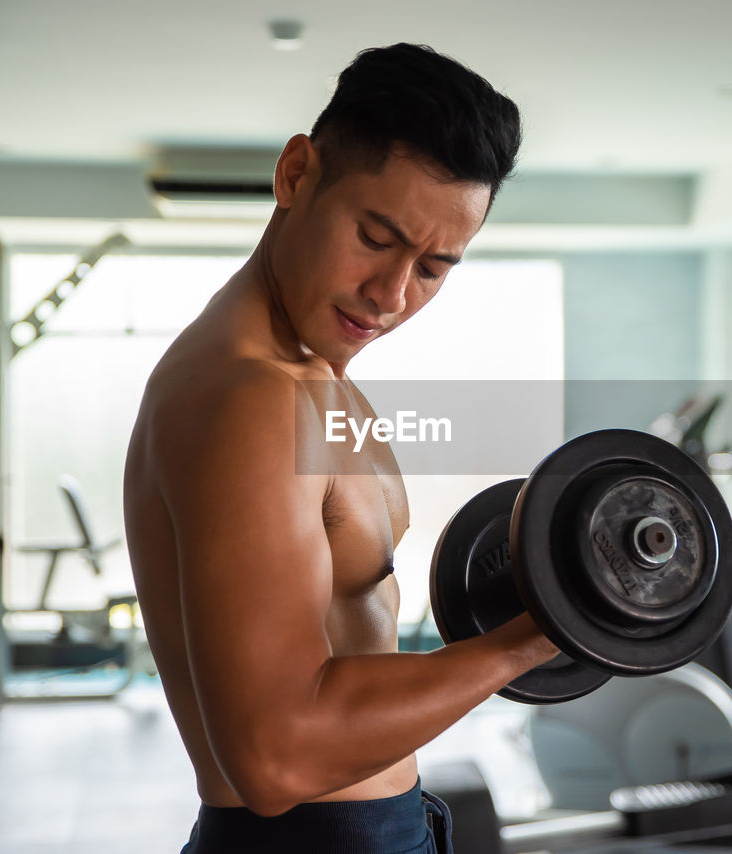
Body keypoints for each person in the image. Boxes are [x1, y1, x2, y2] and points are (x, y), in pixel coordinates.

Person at [123, 43, 559, 854]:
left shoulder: (315, 372)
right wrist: (536, 639)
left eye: (433, 268)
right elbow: (274, 756)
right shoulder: (250, 400)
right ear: (296, 175)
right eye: (375, 236)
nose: (391, 296)